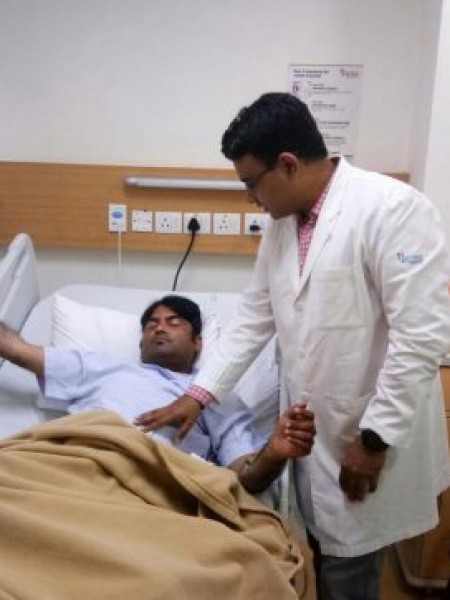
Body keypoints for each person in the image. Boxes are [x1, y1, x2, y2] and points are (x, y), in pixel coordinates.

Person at [135, 93, 450, 600]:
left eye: (250, 182)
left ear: (287, 164)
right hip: (313, 431)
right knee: (323, 557)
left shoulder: (392, 210)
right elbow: (253, 318)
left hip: (369, 431)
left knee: (349, 575)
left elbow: (420, 339)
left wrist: (374, 441)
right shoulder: (283, 226)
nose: (249, 198)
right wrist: (198, 394)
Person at [0, 294, 315, 494]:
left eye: (173, 322)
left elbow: (244, 477)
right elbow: (16, 349)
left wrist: (273, 454)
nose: (159, 328)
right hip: (76, 464)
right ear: (140, 342)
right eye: (151, 324)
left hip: (156, 485)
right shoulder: (99, 366)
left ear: (198, 342)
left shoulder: (216, 396)